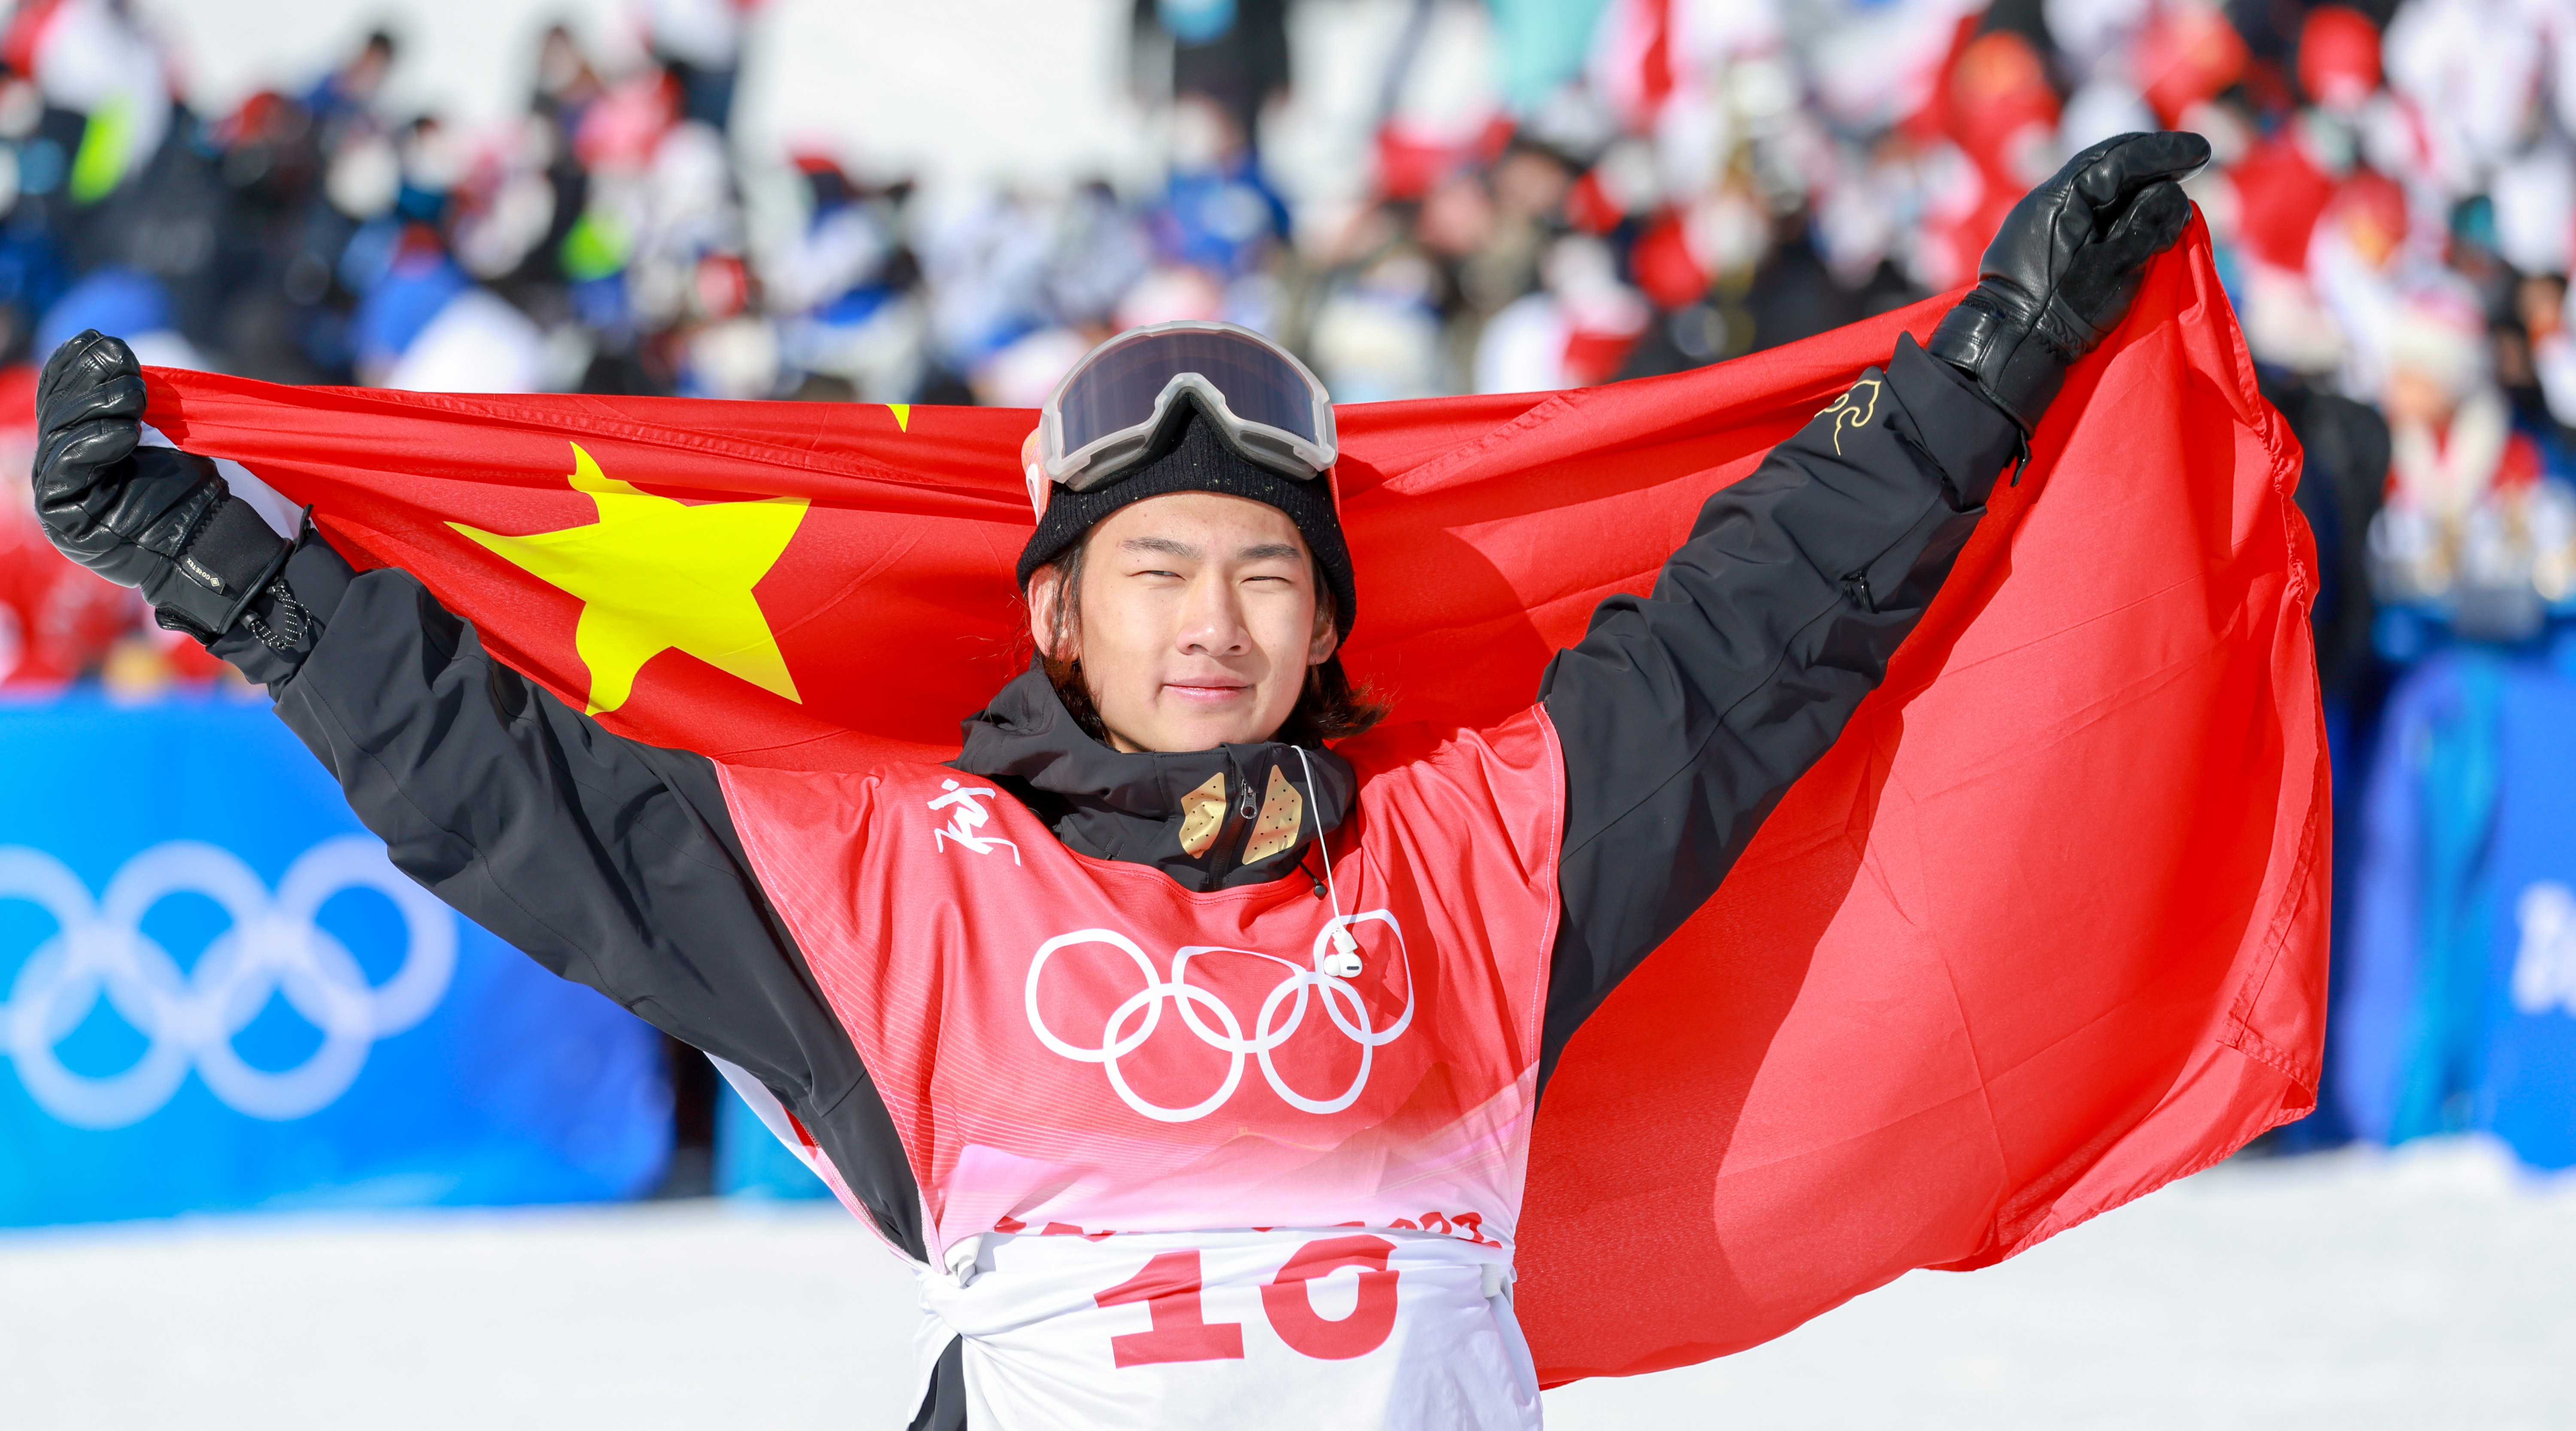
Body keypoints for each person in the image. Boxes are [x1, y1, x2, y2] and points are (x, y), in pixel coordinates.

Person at [28, 132, 2205, 1429]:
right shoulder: (900, 892)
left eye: (1266, 573)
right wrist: (232, 571)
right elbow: (509, 795)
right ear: (1057, 619)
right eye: (1152, 570)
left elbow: (1753, 641)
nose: (1213, 620)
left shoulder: (1473, 856)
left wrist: (1993, 355)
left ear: (1328, 625)